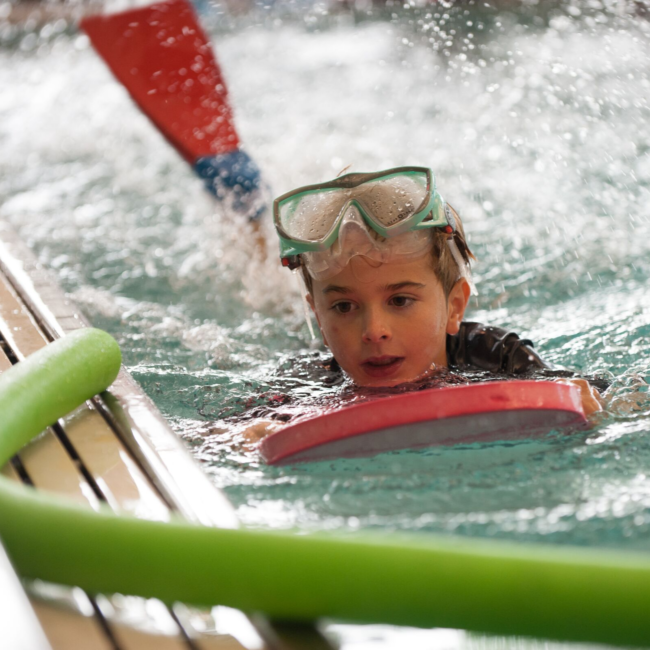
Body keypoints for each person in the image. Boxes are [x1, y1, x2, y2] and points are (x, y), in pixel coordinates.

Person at [240, 166, 603, 444]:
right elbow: (233, 432)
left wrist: (593, 404)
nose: (373, 331)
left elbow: (592, 394)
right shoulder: (312, 378)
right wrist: (252, 435)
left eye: (399, 300)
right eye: (344, 307)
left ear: (455, 307)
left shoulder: (496, 356)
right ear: (319, 317)